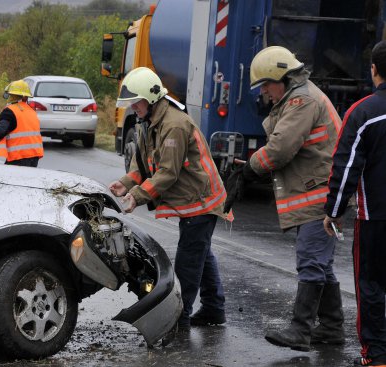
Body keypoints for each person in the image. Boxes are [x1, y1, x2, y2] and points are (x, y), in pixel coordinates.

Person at [235, 46, 343, 351]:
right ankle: (333, 328)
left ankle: (300, 330)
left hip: (319, 196)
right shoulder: (299, 96)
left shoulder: (302, 100)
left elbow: (281, 149)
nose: (264, 92)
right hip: (320, 192)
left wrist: (251, 169)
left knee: (311, 261)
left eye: (267, 84)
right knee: (322, 264)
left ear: (283, 78)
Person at [108, 67, 228, 328]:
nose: (132, 108)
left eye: (135, 102)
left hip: (203, 202)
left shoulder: (174, 124)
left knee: (188, 262)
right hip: (194, 200)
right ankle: (214, 309)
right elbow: (143, 163)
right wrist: (126, 182)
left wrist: (136, 197)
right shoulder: (150, 122)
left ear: (150, 99)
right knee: (201, 254)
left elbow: (168, 173)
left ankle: (179, 319)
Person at [324, 40, 386, 367]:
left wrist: (333, 212)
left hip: (374, 217)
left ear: (374, 69)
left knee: (371, 285)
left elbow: (346, 167)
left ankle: (376, 356)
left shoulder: (363, 111)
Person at [0, 79, 43, 167]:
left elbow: (1, 131)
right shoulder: (31, 111)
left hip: (18, 157)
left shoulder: (9, 111)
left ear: (11, 95)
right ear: (25, 97)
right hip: (34, 156)